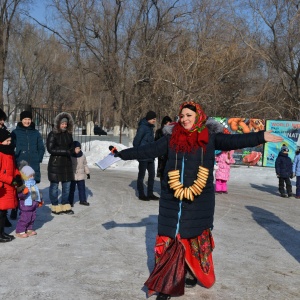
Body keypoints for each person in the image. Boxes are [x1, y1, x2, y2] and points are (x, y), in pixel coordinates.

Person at [111, 101, 283, 300]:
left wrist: (261, 136)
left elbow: (236, 141)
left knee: (193, 236)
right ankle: (167, 283)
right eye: (181, 116)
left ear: (198, 116)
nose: (184, 119)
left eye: (188, 116)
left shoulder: (209, 138)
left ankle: (191, 270)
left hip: (199, 200)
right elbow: (147, 150)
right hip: (172, 198)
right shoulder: (171, 139)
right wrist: (121, 154)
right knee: (170, 237)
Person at [10, 110, 45, 220]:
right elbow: (10, 147)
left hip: (33, 164)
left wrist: (37, 158)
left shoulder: (36, 133)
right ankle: (15, 209)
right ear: (21, 120)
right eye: (25, 119)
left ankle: (30, 208)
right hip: (20, 164)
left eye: (29, 119)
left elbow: (41, 148)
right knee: (19, 187)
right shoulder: (15, 132)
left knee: (32, 186)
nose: (27, 121)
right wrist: (15, 159)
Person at [47, 112, 75, 215]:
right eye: (62, 124)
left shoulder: (68, 134)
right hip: (56, 164)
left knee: (67, 186)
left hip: (66, 164)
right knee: (54, 186)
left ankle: (65, 205)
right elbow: (50, 149)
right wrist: (65, 152)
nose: (64, 125)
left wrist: (72, 150)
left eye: (66, 124)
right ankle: (55, 205)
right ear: (58, 123)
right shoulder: (52, 134)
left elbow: (71, 146)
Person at [0, 129, 23, 242]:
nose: (9, 143)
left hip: (9, 185)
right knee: (1, 212)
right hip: (2, 188)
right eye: (7, 141)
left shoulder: (10, 153)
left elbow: (14, 168)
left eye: (10, 141)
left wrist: (17, 177)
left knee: (4, 212)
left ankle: (2, 232)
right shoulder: (0, 154)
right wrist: (11, 180)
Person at [133, 110, 159, 201]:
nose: (154, 120)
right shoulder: (143, 128)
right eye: (153, 119)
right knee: (141, 175)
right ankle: (141, 194)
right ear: (148, 119)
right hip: (143, 155)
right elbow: (136, 141)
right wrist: (138, 152)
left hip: (150, 155)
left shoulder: (150, 128)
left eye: (155, 119)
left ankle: (150, 193)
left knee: (152, 174)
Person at [15, 165, 42, 238]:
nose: (32, 177)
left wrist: (39, 201)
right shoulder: (23, 185)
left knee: (32, 218)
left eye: (33, 175)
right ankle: (20, 231)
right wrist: (23, 193)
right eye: (30, 176)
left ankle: (29, 229)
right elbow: (19, 196)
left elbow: (37, 193)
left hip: (33, 204)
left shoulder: (33, 183)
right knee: (25, 218)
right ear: (25, 176)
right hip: (25, 205)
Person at [68, 141, 90, 207]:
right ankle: (70, 202)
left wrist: (87, 173)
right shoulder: (70, 156)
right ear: (73, 148)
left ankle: (83, 200)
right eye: (76, 148)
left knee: (82, 189)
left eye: (79, 148)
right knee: (71, 190)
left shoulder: (82, 156)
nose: (78, 150)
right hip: (73, 176)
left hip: (81, 176)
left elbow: (85, 164)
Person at [154, 116, 172, 182]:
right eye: (166, 123)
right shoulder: (159, 132)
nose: (167, 125)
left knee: (170, 174)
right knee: (162, 173)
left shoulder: (172, 132)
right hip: (161, 155)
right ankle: (163, 188)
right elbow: (156, 142)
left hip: (169, 155)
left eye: (169, 124)